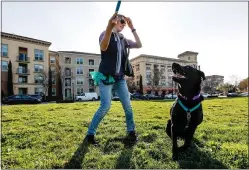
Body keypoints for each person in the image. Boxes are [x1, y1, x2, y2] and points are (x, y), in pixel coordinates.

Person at [86, 12, 142, 145]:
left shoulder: (123, 39)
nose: (123, 24)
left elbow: (139, 44)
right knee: (105, 106)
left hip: (120, 79)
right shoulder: (105, 34)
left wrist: (132, 27)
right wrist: (108, 27)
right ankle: (90, 134)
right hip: (106, 77)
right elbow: (103, 47)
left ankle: (131, 132)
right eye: (121, 21)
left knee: (128, 106)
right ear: (114, 20)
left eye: (124, 22)